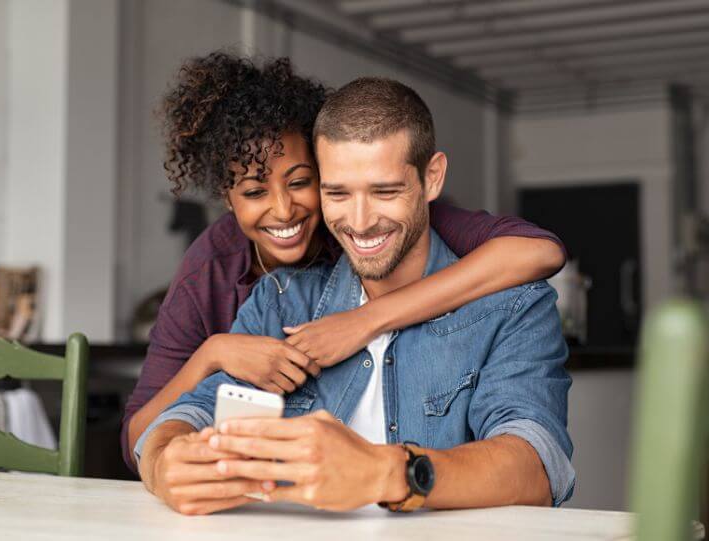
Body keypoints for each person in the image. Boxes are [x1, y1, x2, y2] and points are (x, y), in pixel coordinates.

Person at [134, 77, 574, 516]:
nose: (360, 222)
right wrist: (164, 464)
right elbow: (183, 416)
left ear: (432, 177)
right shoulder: (280, 300)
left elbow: (536, 466)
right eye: (338, 193)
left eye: (385, 191)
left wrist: (386, 472)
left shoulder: (514, 306)